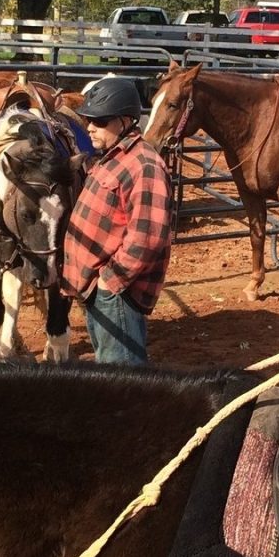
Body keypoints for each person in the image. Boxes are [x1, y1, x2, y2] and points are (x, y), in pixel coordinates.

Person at [61, 76, 172, 365]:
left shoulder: (144, 165)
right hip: (99, 288)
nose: (90, 127)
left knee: (122, 377)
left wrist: (110, 281)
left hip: (117, 293)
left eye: (99, 121)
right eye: (89, 120)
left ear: (124, 122)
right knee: (111, 371)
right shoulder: (114, 156)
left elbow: (148, 237)